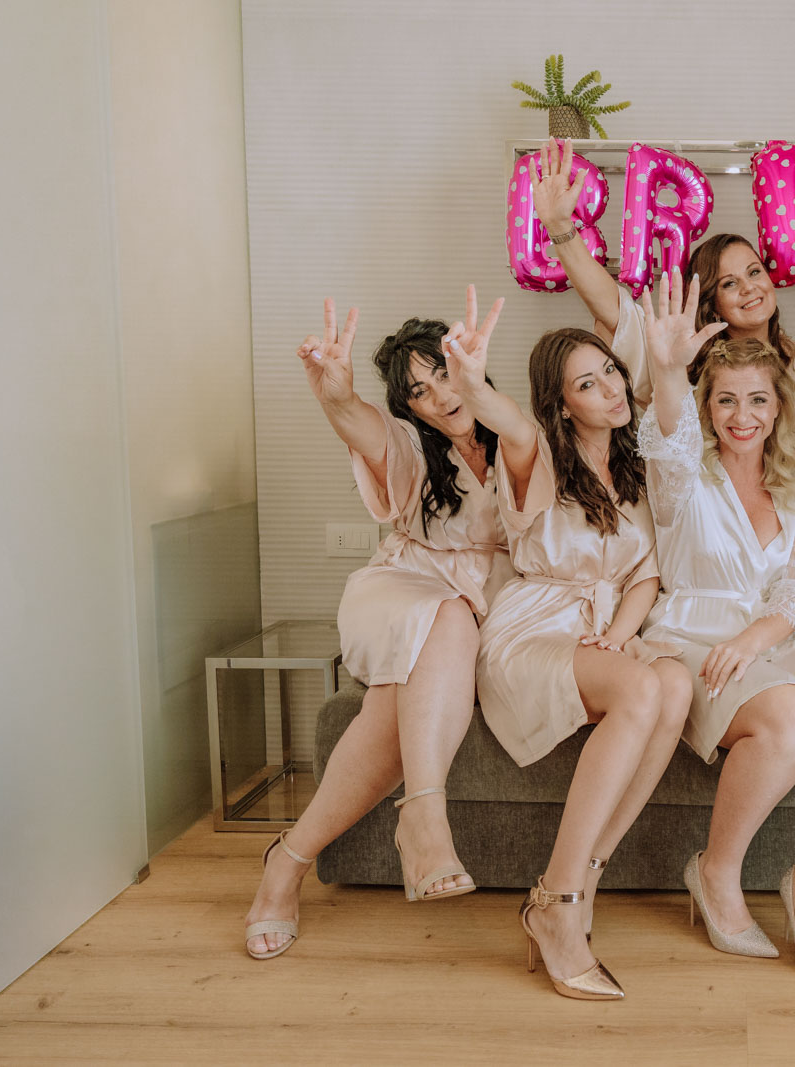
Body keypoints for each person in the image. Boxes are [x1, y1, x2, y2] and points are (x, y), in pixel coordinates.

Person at [244, 298, 511, 959]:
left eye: (444, 374)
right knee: (445, 614)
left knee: (403, 692)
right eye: (418, 392)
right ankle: (425, 814)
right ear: (409, 408)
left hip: (484, 603)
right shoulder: (412, 447)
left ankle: (287, 860)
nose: (439, 396)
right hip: (403, 587)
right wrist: (337, 395)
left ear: (471, 367)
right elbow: (362, 427)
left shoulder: (518, 434)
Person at [449, 304, 694, 1001]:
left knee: (675, 685)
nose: (612, 388)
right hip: (535, 625)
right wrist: (473, 384)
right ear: (561, 404)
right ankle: (558, 903)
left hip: (603, 627)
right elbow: (510, 423)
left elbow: (646, 575)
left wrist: (619, 634)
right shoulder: (537, 454)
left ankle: (583, 880)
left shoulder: (633, 463)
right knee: (642, 688)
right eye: (587, 383)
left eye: (611, 371)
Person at [635, 273, 795, 987]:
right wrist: (668, 370)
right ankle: (716, 872)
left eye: (758, 400)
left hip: (765, 636)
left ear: (778, 408)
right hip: (693, 633)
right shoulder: (682, 479)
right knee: (792, 715)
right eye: (726, 400)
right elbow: (669, 438)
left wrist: (758, 637)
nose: (743, 415)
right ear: (707, 407)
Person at [530, 137, 795, 427]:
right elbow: (613, 309)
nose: (749, 287)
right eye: (729, 283)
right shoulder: (682, 362)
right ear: (712, 304)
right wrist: (560, 227)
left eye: (754, 272)